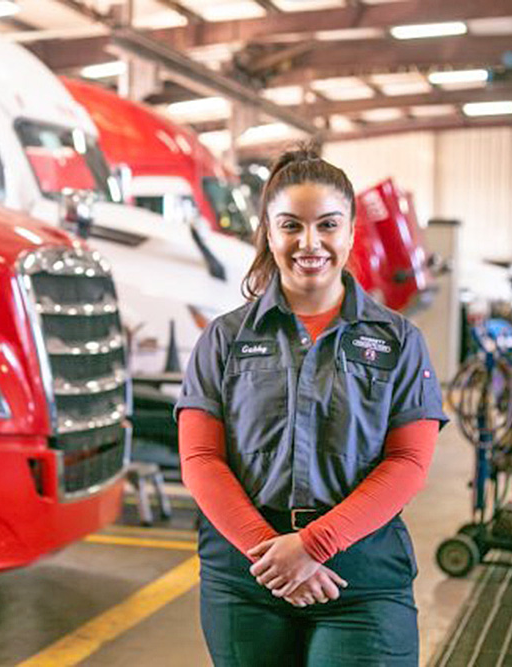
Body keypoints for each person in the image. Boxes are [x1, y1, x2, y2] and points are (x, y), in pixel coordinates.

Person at [175, 144, 448, 666]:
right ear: (268, 232)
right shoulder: (224, 339)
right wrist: (272, 553)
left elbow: (408, 462)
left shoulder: (398, 341)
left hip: (361, 579)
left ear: (351, 232)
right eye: (291, 226)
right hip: (248, 578)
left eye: (327, 225)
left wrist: (312, 546)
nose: (310, 242)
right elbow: (201, 459)